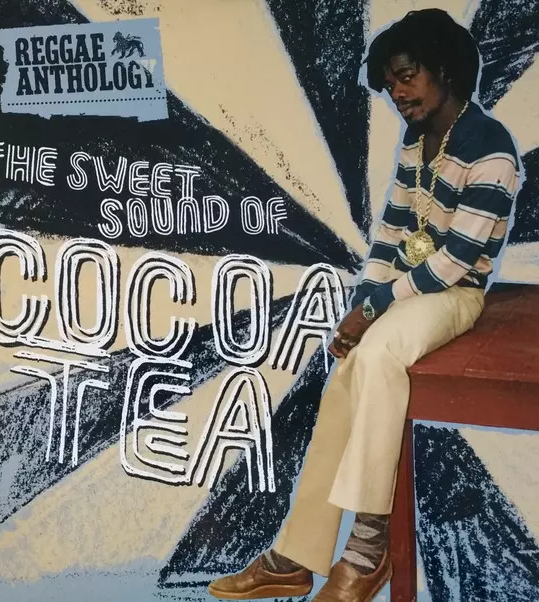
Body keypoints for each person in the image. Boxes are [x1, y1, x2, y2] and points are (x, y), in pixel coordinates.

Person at [208, 8, 521, 602]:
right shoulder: (416, 142)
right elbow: (392, 234)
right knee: (349, 371)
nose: (398, 93)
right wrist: (361, 302)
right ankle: (298, 555)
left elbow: (455, 260)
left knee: (376, 357)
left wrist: (373, 310)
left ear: (445, 70)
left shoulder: (491, 148)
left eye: (407, 76)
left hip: (455, 295)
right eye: (390, 83)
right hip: (404, 290)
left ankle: (367, 549)